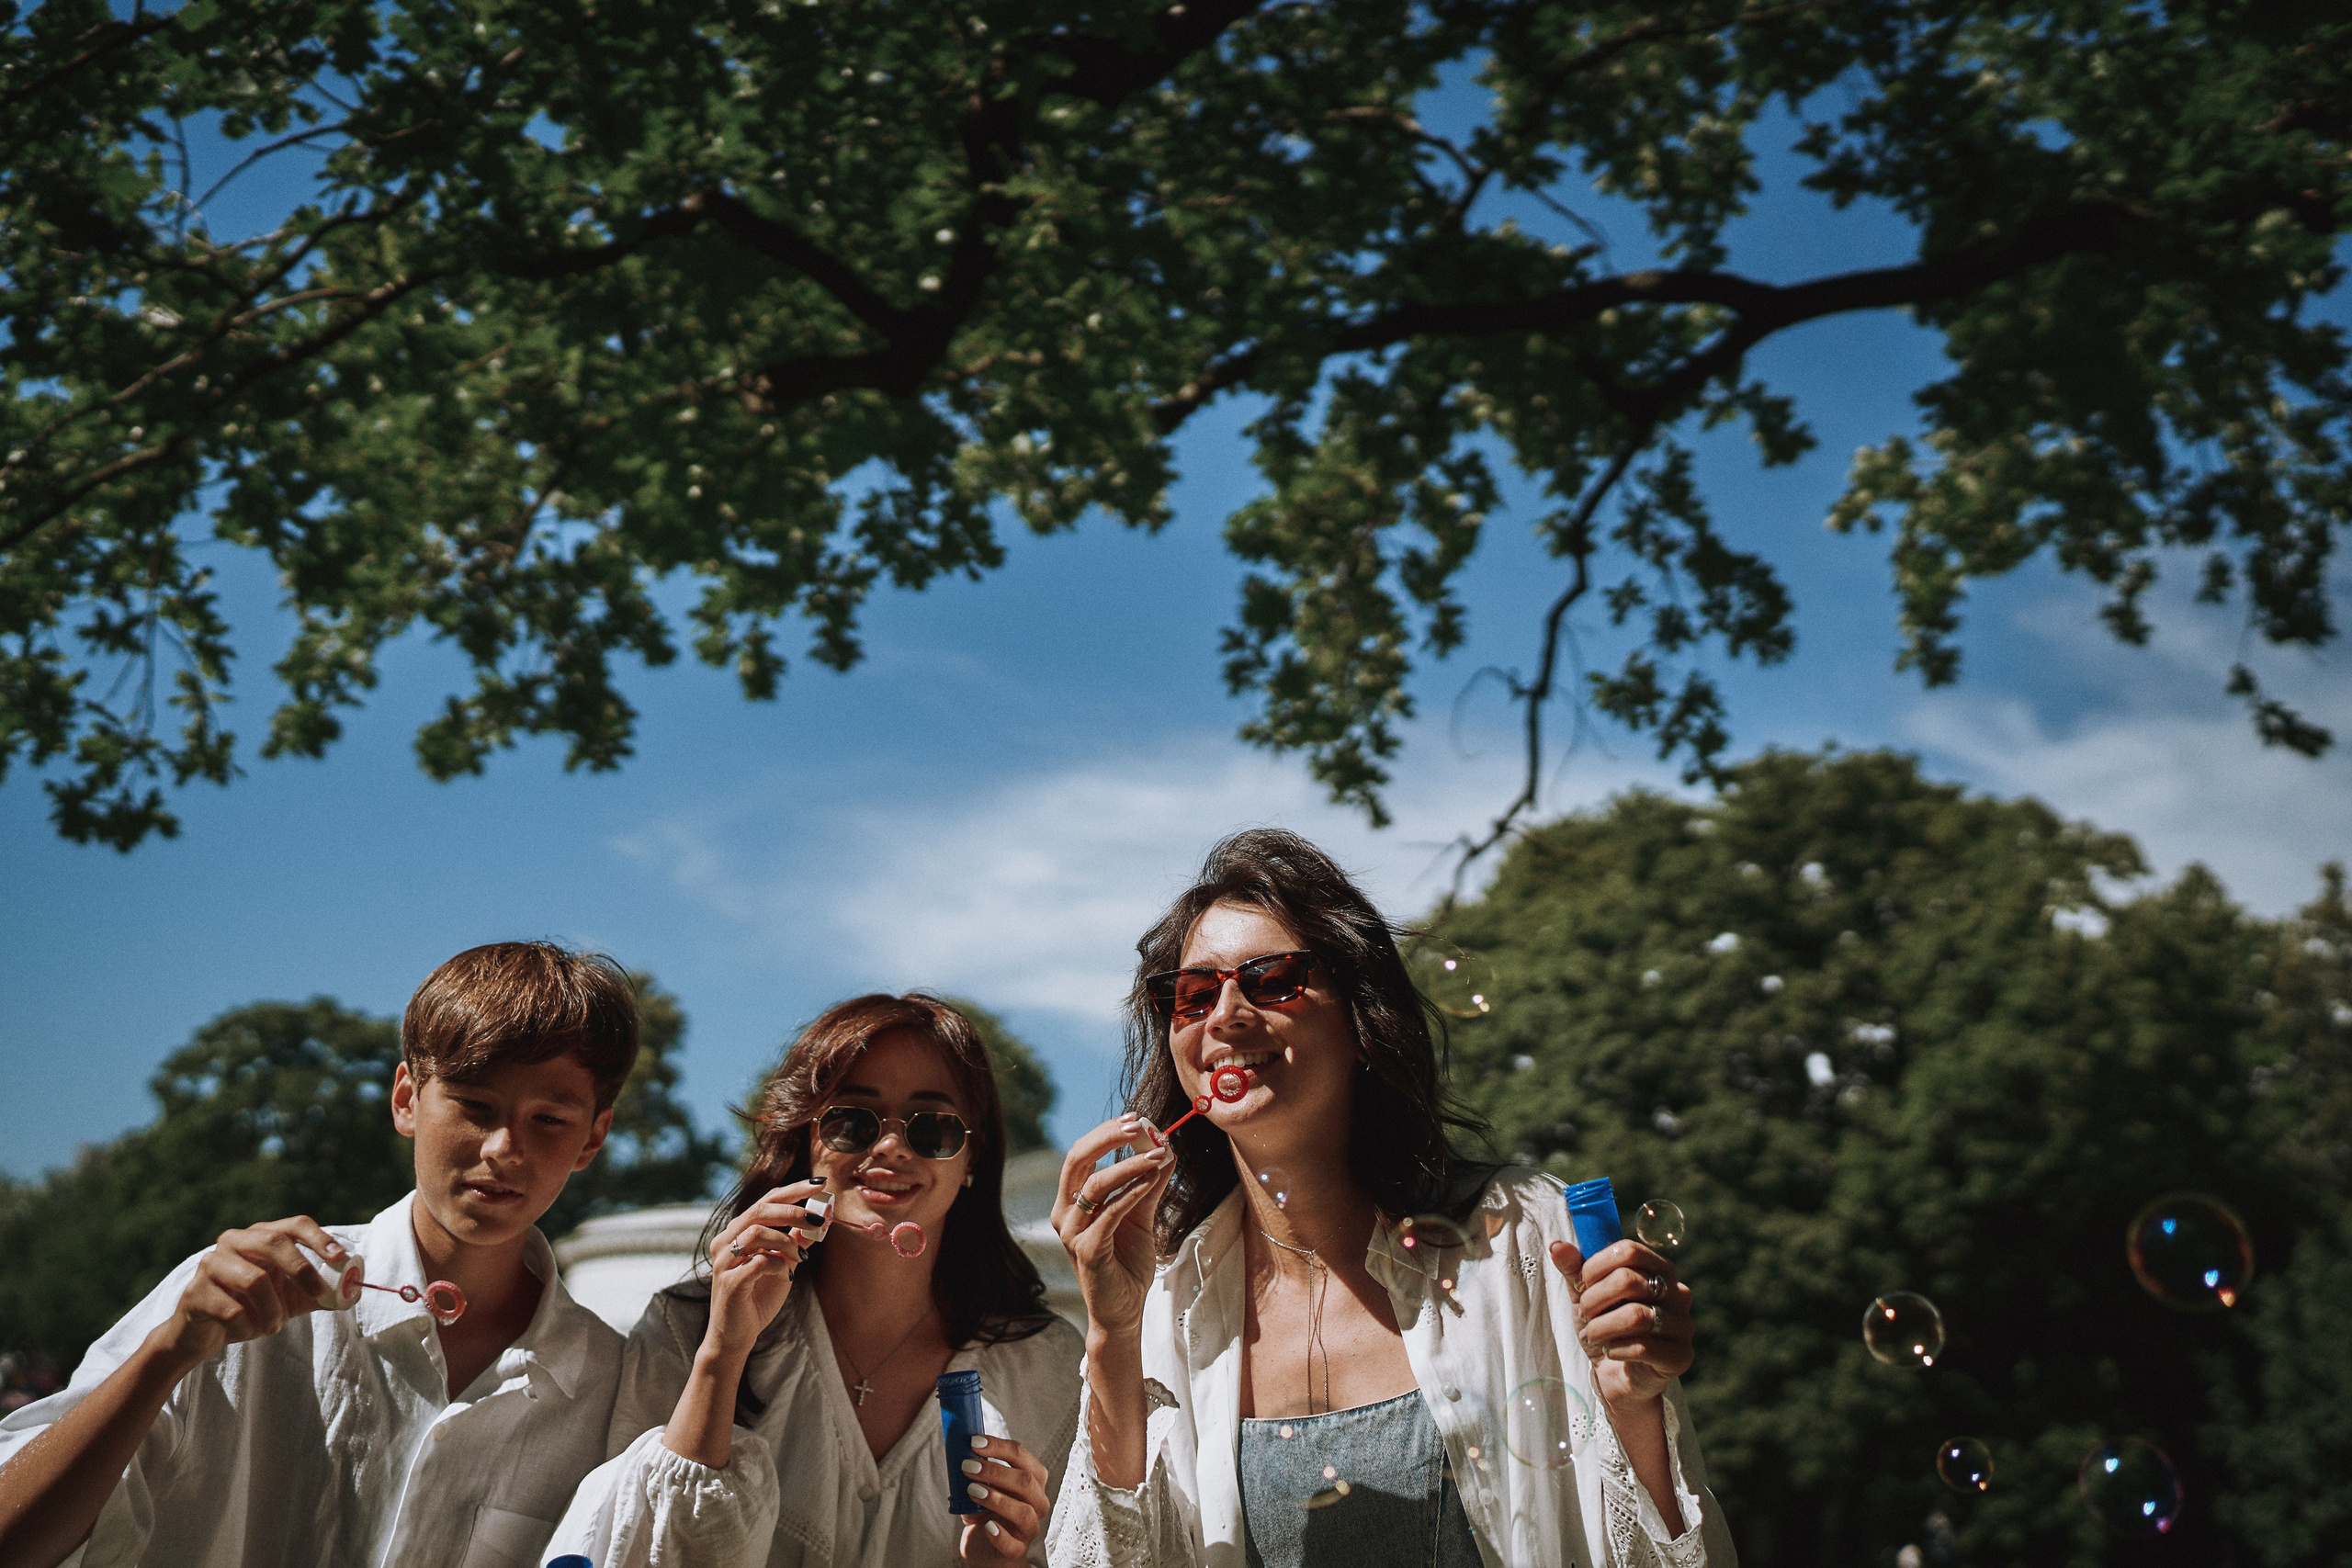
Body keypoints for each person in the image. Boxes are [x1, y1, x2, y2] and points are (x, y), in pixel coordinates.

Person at [1046, 829, 1736, 1568]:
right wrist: (1114, 1333)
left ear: (1361, 1017)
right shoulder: (1167, 1304)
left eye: (1273, 977)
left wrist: (1633, 1406)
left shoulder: (1529, 1239)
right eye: (1192, 993)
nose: (1226, 1014)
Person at [0, 940, 640, 1568]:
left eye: (549, 1119)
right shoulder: (231, 1298)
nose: (503, 1146)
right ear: (406, 1099)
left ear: (593, 1137)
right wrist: (167, 1354)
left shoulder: (610, 1389)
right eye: (474, 1105)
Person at [551, 993, 1083, 1567]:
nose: (890, 1147)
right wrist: (724, 1352)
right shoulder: (684, 1330)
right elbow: (635, 1547)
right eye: (852, 1120)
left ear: (972, 1157)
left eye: (933, 1129)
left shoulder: (1047, 1365)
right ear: (807, 1141)